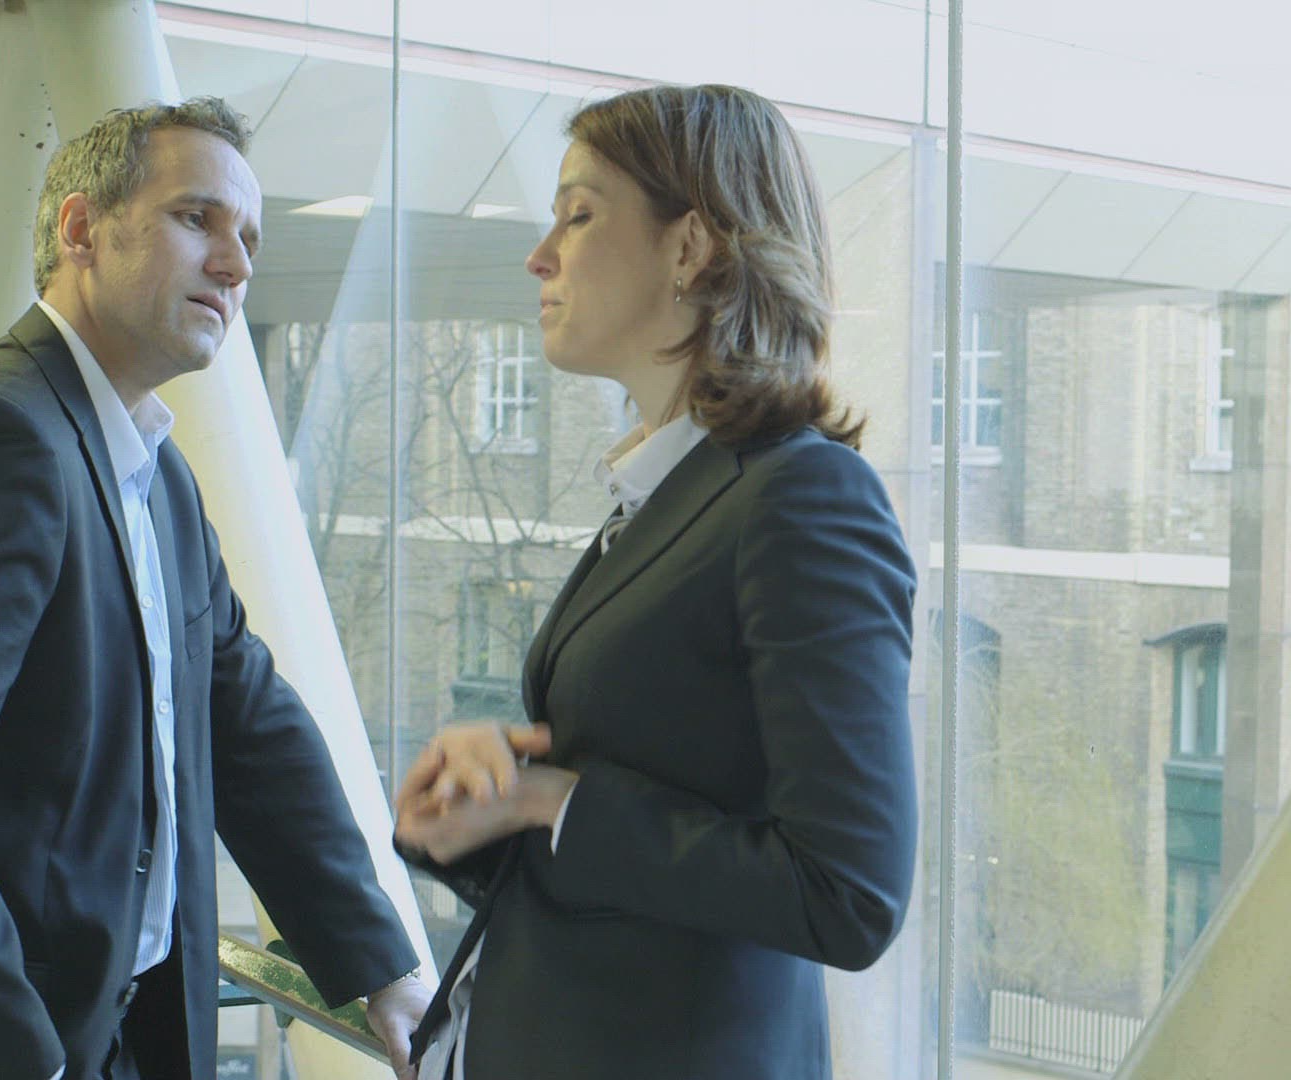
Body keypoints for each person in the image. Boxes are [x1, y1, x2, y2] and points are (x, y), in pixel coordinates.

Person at [0, 97, 431, 1080]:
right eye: (197, 218)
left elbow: (248, 725)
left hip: (111, 1029)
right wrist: (14, 1059)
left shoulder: (158, 473)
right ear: (81, 229)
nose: (235, 265)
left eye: (249, 240)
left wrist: (381, 967)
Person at [392, 84, 919, 1080]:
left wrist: (551, 799)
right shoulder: (670, 495)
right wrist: (477, 815)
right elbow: (627, 866)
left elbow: (847, 894)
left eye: (578, 215)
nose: (540, 255)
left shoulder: (803, 497)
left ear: (691, 248)